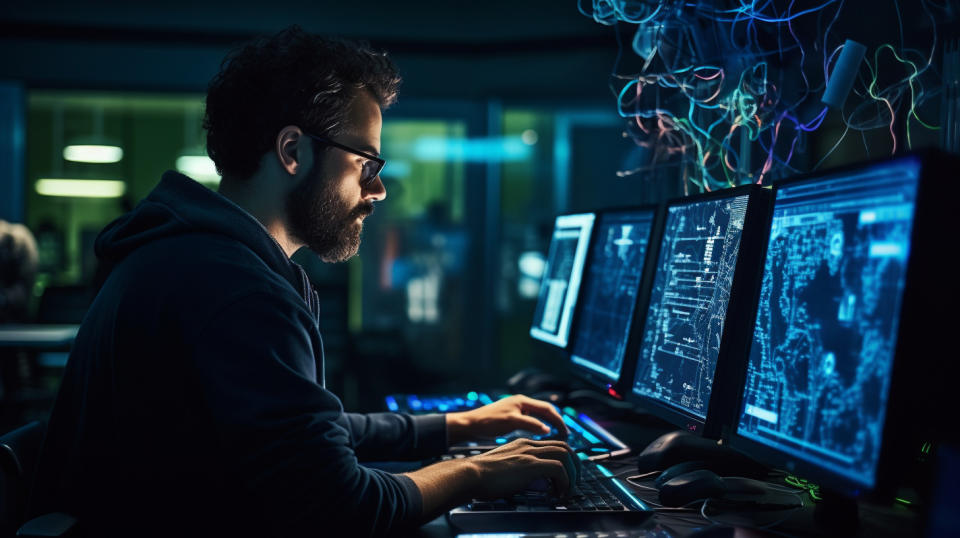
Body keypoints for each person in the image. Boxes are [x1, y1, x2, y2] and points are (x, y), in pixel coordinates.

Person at [28, 26, 577, 537]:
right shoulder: (234, 289)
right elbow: (341, 505)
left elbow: (308, 432)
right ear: (293, 151)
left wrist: (456, 426)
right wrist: (476, 475)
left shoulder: (193, 256)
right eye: (366, 162)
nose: (378, 190)